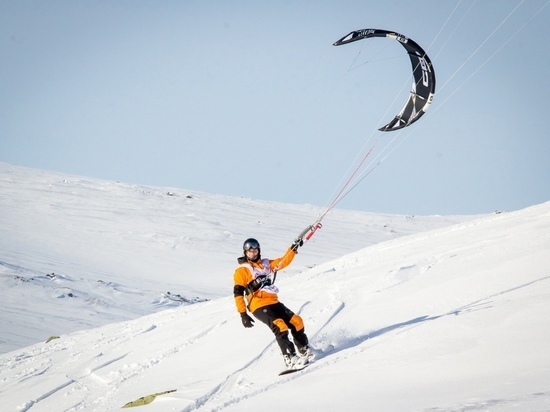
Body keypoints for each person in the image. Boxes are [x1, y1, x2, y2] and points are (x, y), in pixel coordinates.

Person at [233, 237, 313, 368]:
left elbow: (283, 262)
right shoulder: (242, 271)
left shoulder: (266, 265)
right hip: (258, 305)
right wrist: (243, 314)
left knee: (296, 321)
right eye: (250, 251)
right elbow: (237, 294)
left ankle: (303, 349)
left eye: (255, 250)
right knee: (280, 325)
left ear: (259, 250)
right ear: (245, 253)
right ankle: (290, 357)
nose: (253, 253)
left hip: (273, 302)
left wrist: (293, 249)